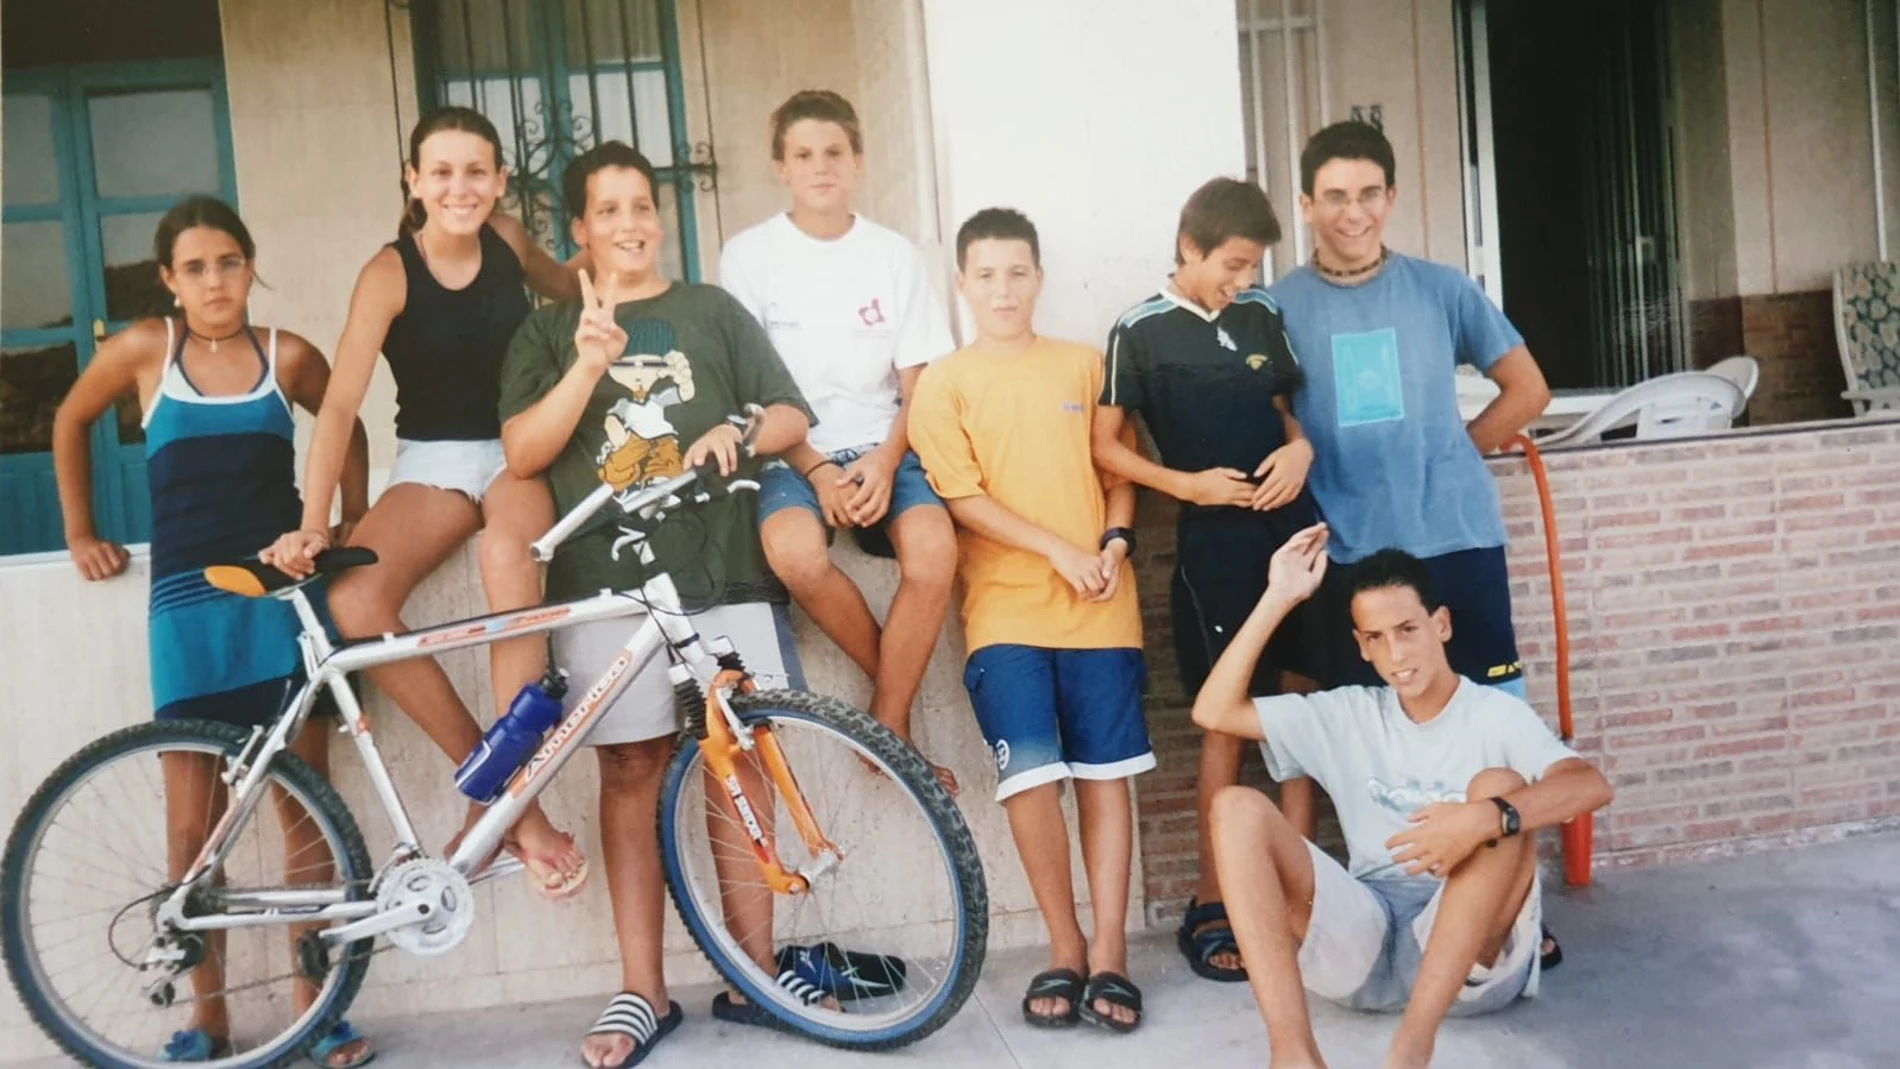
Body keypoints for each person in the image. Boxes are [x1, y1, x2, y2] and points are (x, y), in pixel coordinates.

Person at [498, 140, 827, 1068]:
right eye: (609, 210)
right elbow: (523, 453)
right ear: (580, 230)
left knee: (741, 755)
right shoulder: (546, 328)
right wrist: (586, 362)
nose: (631, 224)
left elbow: (793, 414)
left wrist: (741, 424)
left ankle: (755, 972)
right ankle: (643, 989)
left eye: (642, 205)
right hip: (606, 583)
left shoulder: (711, 311)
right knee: (632, 772)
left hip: (720, 570)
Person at [51, 197, 375, 1068]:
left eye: (228, 261)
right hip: (187, 614)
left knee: (306, 814)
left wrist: (342, 524)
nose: (214, 280)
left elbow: (347, 429)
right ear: (168, 279)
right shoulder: (143, 351)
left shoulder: (288, 356)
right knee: (190, 835)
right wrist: (81, 531)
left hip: (278, 605)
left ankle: (319, 1011)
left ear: (250, 264)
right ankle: (211, 1020)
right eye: (194, 267)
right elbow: (70, 419)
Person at [262, 106, 588, 898]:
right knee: (355, 595)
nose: (459, 187)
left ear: (501, 180)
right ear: (413, 180)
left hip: (517, 453)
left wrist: (631, 258)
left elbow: (579, 287)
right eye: (440, 172)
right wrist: (314, 522)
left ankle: (518, 802)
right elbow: (338, 406)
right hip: (434, 461)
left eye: (476, 171)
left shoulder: (509, 242)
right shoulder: (388, 270)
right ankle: (503, 795)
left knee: (511, 577)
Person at [1193, 525, 1613, 1069]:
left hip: (1469, 964)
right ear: (1361, 646)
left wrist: (1483, 820)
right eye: (1376, 637)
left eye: (1408, 629)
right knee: (1234, 807)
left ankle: (1412, 1050)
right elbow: (1214, 712)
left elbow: (1590, 785)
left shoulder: (1493, 714)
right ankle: (1293, 1054)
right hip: (1365, 941)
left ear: (1441, 624)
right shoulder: (1350, 712)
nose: (1396, 652)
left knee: (1498, 789)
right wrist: (1279, 597)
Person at [910, 208, 1153, 1034]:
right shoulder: (945, 383)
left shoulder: (1086, 365)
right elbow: (962, 497)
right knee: (1032, 780)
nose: (1004, 289)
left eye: (1018, 272)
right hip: (1006, 610)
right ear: (963, 283)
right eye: (987, 275)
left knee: (1105, 777)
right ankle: (1067, 943)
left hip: (1100, 602)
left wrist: (1115, 541)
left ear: (1040, 278)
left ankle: (1114, 952)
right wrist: (1056, 548)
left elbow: (1117, 465)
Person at [1091, 177, 1326, 984]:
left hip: (1292, 523)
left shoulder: (1262, 317)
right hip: (1216, 542)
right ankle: (1213, 902)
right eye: (1231, 263)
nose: (1242, 278)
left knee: (1303, 705)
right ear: (1189, 248)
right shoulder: (1139, 329)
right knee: (1225, 720)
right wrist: (1183, 485)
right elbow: (1105, 446)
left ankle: (1303, 899)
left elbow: (1284, 410)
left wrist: (1301, 451)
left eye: (1252, 264)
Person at [718, 90, 959, 792]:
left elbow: (921, 385)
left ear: (857, 161)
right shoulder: (750, 257)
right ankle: (897, 724)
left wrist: (885, 462)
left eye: (833, 153)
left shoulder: (894, 256)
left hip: (888, 441)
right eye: (803, 155)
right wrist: (818, 469)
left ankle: (883, 723)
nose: (820, 167)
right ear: (780, 168)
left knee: (936, 551)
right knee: (793, 552)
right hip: (793, 452)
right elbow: (752, 393)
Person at [1265, 121, 1552, 703]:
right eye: (1335, 197)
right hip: (1345, 551)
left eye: (1370, 194)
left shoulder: (1442, 288)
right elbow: (1273, 414)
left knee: (1491, 716)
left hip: (1456, 539)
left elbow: (1527, 389)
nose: (1354, 214)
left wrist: (1451, 453)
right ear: (1305, 205)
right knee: (1372, 731)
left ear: (1391, 197)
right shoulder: (1274, 310)